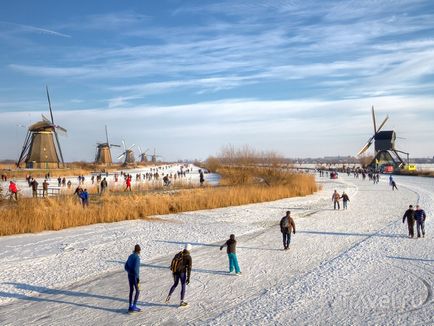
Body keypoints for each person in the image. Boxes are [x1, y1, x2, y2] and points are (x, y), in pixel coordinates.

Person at [124, 244, 141, 312]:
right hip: (134, 277)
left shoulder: (130, 256)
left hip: (129, 276)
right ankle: (134, 306)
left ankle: (130, 306)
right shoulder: (137, 258)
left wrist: (129, 271)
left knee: (131, 290)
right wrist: (137, 277)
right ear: (139, 250)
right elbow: (136, 269)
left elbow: (125, 266)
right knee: (137, 291)